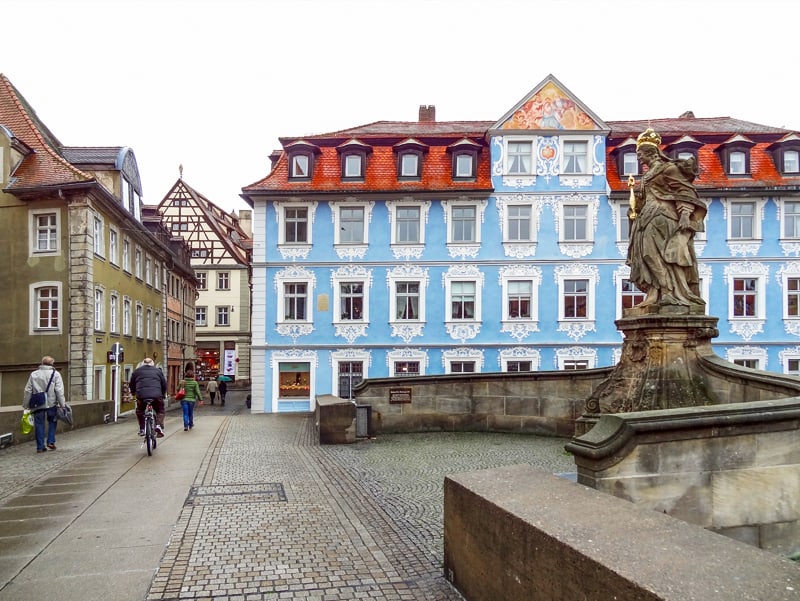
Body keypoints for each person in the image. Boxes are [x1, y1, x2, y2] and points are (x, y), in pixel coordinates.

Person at [626, 127, 707, 308]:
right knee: (646, 256)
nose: (638, 158)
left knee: (656, 255)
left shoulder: (667, 168)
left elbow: (685, 191)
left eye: (639, 154)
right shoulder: (647, 175)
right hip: (646, 219)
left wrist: (685, 214)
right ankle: (655, 292)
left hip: (662, 217)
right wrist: (635, 205)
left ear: (650, 153)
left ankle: (668, 293)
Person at [22, 356, 66, 453]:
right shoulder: (56, 374)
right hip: (51, 403)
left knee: (39, 424)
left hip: (38, 403)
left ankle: (40, 447)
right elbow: (59, 390)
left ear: (42, 363)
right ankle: (50, 441)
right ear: (52, 364)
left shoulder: (34, 374)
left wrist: (26, 404)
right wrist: (62, 404)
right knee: (52, 422)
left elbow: (28, 390)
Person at [129, 357, 167, 437]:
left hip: (141, 396)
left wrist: (133, 393)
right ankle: (158, 425)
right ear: (152, 364)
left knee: (140, 411)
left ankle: (142, 429)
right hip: (156, 395)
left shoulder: (137, 372)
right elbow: (164, 384)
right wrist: (163, 394)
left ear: (143, 363)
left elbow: (131, 384)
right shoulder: (158, 371)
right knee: (160, 410)